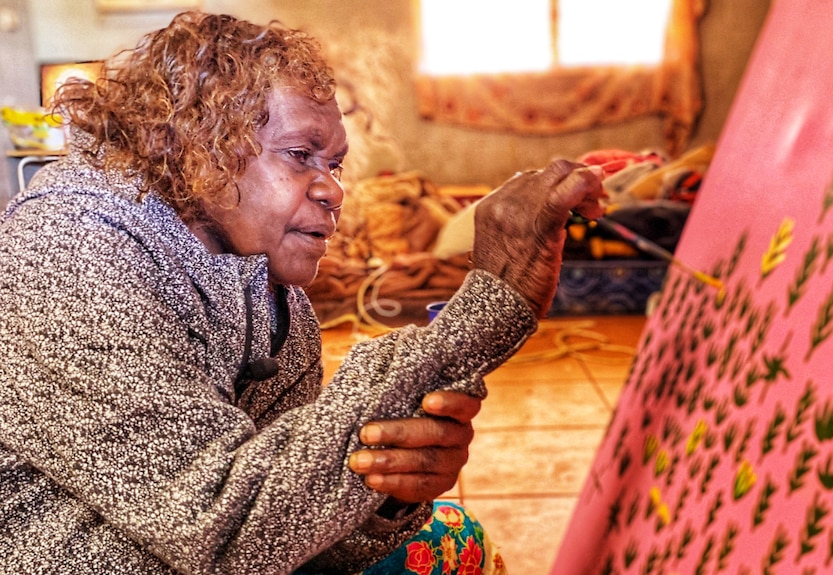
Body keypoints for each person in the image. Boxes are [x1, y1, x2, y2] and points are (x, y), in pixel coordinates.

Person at [0, 11, 604, 574]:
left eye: (334, 165)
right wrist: (491, 305)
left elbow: (296, 518)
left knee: (449, 536)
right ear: (195, 149)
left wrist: (391, 491)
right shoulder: (67, 250)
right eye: (300, 155)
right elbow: (227, 534)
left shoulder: (268, 298)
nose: (333, 190)